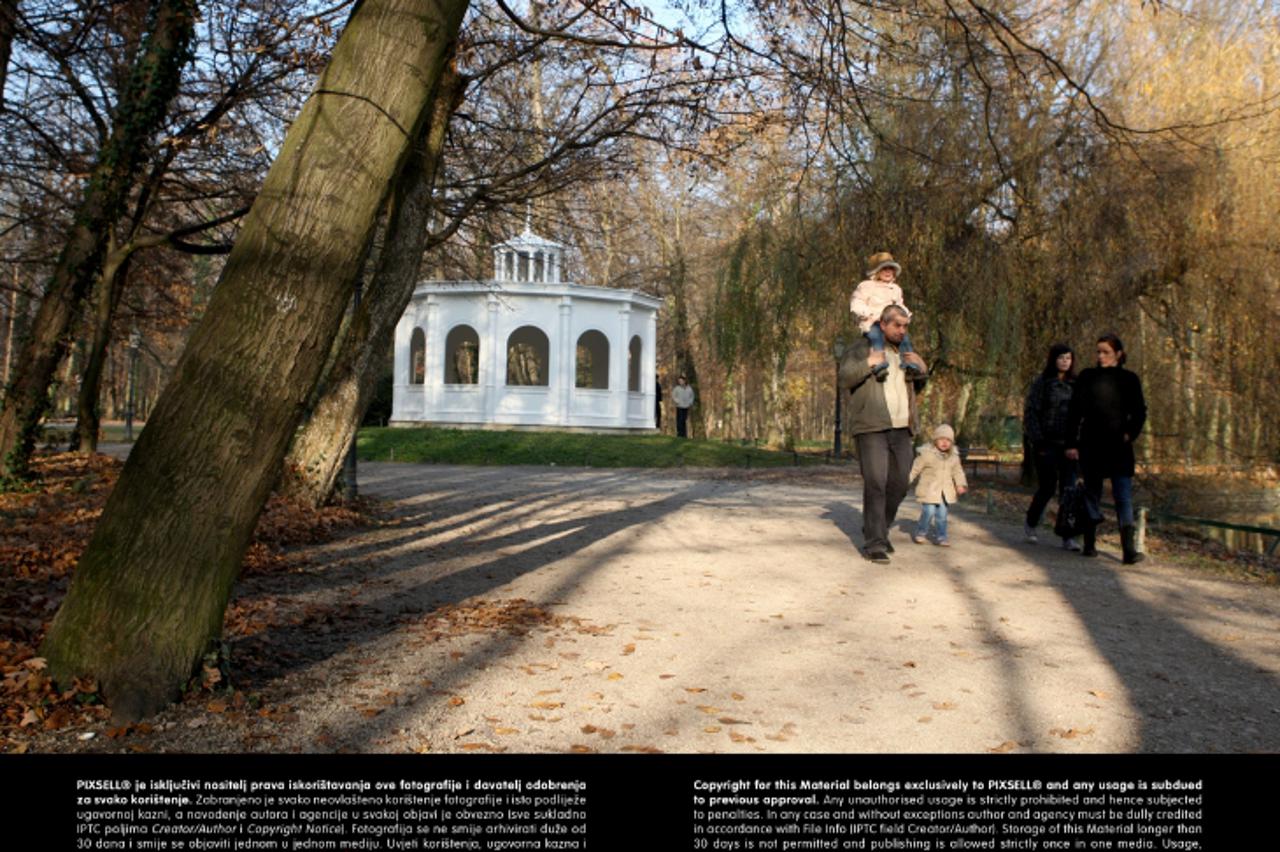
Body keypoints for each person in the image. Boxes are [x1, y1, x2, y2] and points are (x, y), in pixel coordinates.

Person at [838, 305, 930, 563]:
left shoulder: (905, 352)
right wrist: (869, 363)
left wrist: (922, 368)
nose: (902, 331)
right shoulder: (860, 348)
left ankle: (876, 527)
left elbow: (918, 388)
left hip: (903, 427)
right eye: (897, 326)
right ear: (883, 325)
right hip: (871, 426)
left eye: (905, 326)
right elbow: (844, 378)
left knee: (900, 483)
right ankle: (875, 542)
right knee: (876, 482)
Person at [1065, 333, 1147, 563]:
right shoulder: (1087, 377)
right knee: (1091, 494)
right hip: (1091, 443)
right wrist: (1071, 443)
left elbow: (1140, 411)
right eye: (1098, 351)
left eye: (1106, 352)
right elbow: (1074, 412)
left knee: (1123, 496)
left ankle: (1128, 550)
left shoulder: (1130, 379)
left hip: (1119, 445)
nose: (1101, 356)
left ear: (1118, 354)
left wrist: (1130, 433)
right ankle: (1089, 543)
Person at [1023, 343, 1080, 549]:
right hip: (1046, 443)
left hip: (1070, 445)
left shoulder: (1077, 384)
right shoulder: (1043, 383)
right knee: (1047, 487)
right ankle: (1031, 522)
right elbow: (1031, 412)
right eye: (1061, 358)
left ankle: (1067, 534)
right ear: (1053, 359)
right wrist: (1037, 440)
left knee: (1069, 490)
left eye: (1068, 358)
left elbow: (1081, 415)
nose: (1065, 361)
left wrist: (1078, 442)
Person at [850, 252, 918, 376]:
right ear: (876, 271)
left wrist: (905, 315)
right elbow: (857, 302)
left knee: (904, 337)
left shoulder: (896, 289)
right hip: (874, 321)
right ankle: (879, 363)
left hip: (892, 323)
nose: (888, 272)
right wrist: (867, 313)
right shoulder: (867, 286)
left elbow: (900, 305)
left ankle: (909, 363)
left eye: (890, 269)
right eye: (884, 269)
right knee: (876, 337)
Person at [909, 424, 968, 546]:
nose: (944, 443)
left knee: (942, 515)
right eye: (941, 439)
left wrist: (960, 484)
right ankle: (921, 532)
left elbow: (958, 472)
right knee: (928, 512)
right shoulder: (926, 454)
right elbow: (915, 469)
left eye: (948, 440)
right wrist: (906, 480)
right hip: (929, 490)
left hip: (945, 492)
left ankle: (942, 536)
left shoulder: (954, 457)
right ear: (935, 440)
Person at [672, 374, 694, 438]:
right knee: (679, 420)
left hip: (686, 406)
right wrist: (677, 401)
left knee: (684, 420)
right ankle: (679, 433)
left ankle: (684, 434)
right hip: (679, 406)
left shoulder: (689, 388)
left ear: (684, 381)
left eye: (681, 381)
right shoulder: (677, 388)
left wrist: (690, 402)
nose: (680, 382)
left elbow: (692, 396)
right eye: (679, 381)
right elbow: (673, 396)